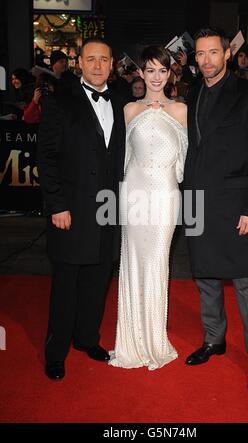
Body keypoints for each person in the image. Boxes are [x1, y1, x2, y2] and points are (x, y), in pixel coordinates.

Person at [183, 27, 248, 393]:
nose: (206, 60)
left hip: (238, 207)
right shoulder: (192, 94)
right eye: (200, 54)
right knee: (205, 277)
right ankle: (214, 339)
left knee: (246, 283)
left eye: (213, 53)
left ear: (227, 54)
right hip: (199, 203)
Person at [37, 38, 125, 380]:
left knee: (97, 280)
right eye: (91, 59)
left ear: (113, 62)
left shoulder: (121, 102)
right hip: (70, 211)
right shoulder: (59, 101)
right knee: (65, 286)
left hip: (107, 210)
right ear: (80, 63)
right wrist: (56, 204)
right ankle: (55, 352)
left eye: (104, 59)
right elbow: (46, 157)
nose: (98, 65)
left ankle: (87, 338)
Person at [109, 46, 188, 370]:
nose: (156, 77)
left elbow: (184, 162)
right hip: (135, 195)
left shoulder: (181, 110)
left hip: (165, 195)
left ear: (169, 74)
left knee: (157, 261)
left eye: (162, 70)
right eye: (150, 70)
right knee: (133, 262)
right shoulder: (129, 109)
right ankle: (131, 338)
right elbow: (124, 159)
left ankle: (154, 338)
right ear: (141, 72)